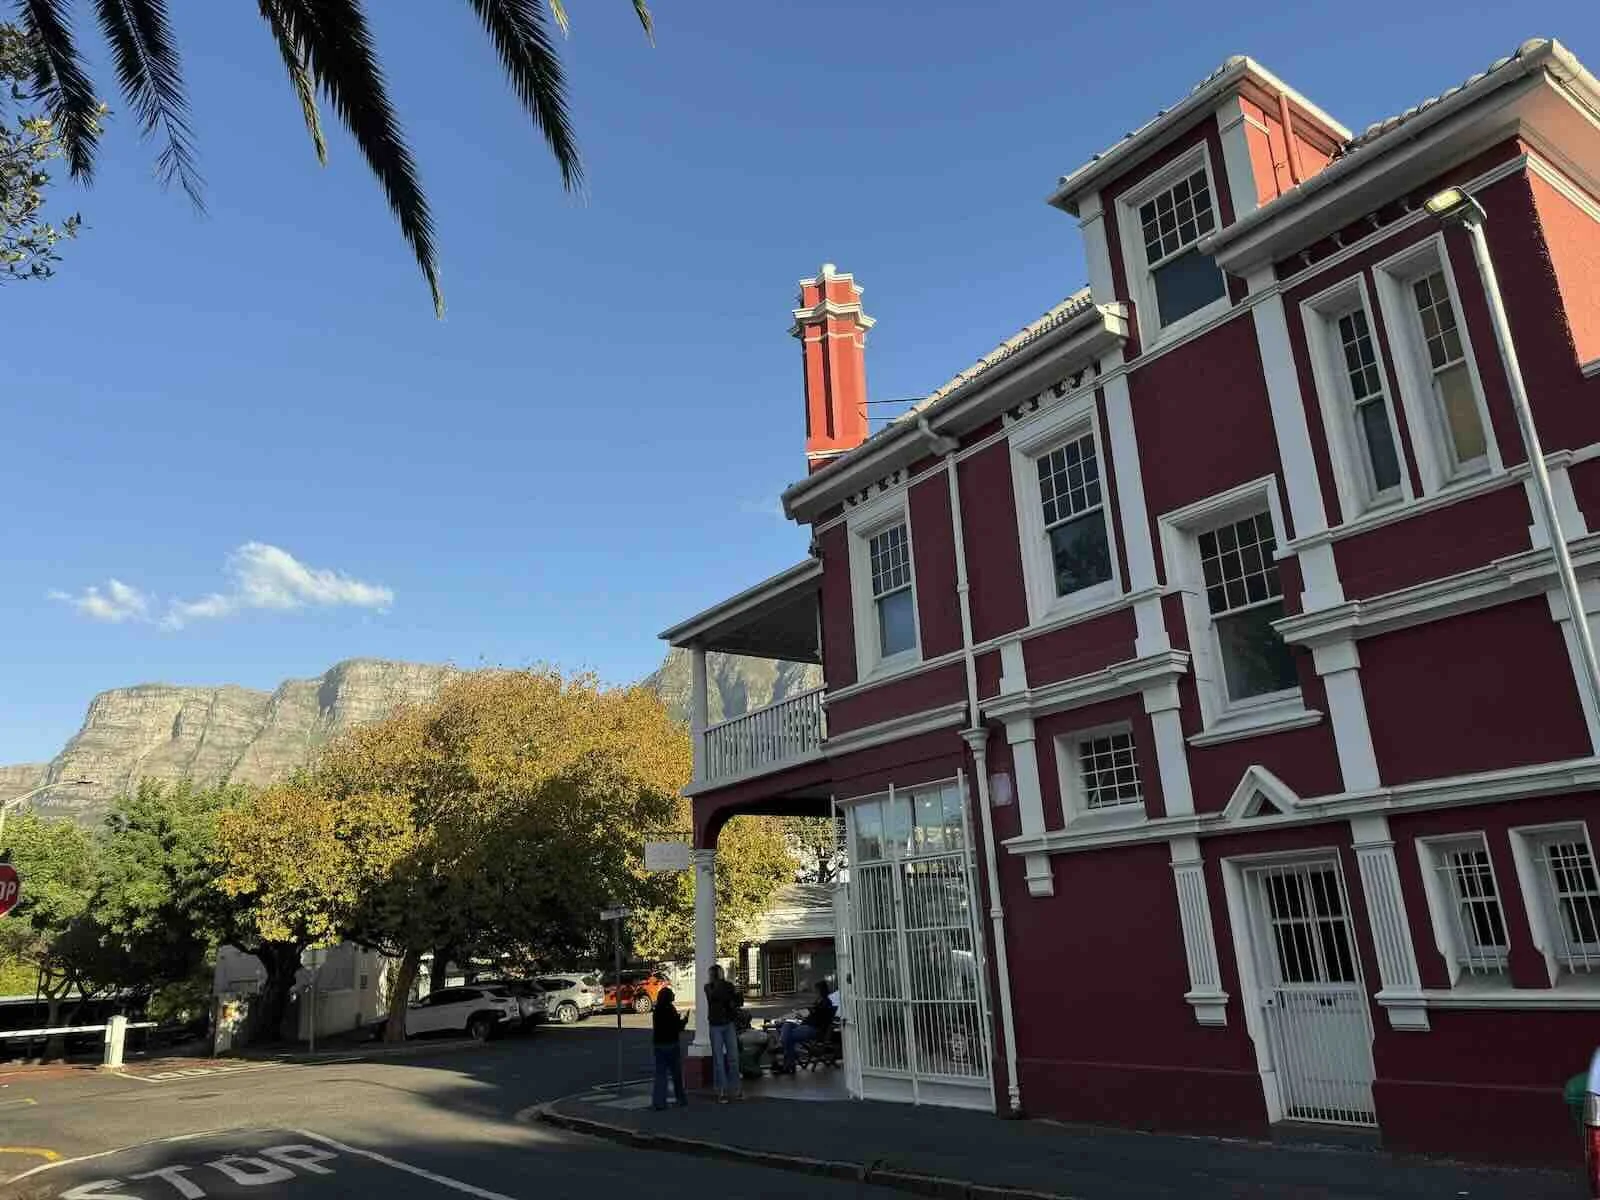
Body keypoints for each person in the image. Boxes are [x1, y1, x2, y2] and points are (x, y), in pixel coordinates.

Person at [703, 964, 743, 1102]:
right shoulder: (709, 987)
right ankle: (722, 1090)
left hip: (728, 1023)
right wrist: (726, 987)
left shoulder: (727, 986)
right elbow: (715, 997)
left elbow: (737, 1002)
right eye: (718, 972)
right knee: (719, 1059)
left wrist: (736, 993)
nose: (720, 974)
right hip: (716, 1025)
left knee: (733, 1057)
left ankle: (736, 1089)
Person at [777, 980, 835, 1074]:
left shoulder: (825, 1003)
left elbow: (817, 1020)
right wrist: (802, 1016)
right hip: (807, 1025)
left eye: (816, 990)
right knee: (787, 1025)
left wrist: (806, 1016)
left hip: (813, 1029)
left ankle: (788, 1064)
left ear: (820, 991)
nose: (814, 992)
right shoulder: (819, 1002)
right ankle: (786, 1057)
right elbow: (812, 1015)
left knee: (788, 1037)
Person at [650, 986, 689, 1111]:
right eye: (672, 994)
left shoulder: (657, 1010)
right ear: (669, 997)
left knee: (660, 1074)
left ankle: (659, 1102)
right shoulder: (670, 1009)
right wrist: (684, 1020)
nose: (674, 995)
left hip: (659, 1044)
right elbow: (677, 1027)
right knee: (676, 1073)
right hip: (672, 1044)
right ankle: (681, 1099)